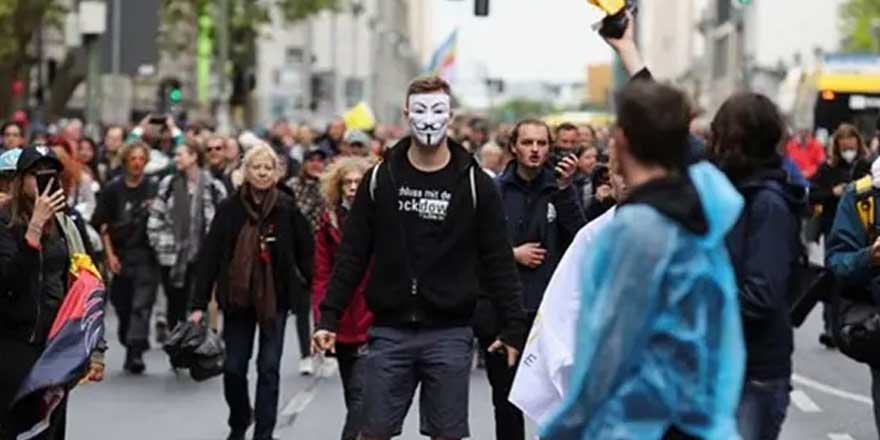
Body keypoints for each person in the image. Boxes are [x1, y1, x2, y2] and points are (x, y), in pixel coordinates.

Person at [542, 15, 746, 438]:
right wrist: (629, 52)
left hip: (643, 423)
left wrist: (566, 426)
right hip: (705, 418)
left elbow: (610, 347)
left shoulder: (636, 231)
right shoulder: (708, 204)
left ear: (622, 143)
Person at [313, 75, 526, 440]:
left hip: (450, 331)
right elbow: (353, 253)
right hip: (389, 330)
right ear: (406, 113)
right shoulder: (380, 179)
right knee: (373, 432)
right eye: (421, 110)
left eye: (438, 110)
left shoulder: (477, 185)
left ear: (450, 115)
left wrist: (513, 327)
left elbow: (497, 260)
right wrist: (328, 316)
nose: (429, 119)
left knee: (447, 434)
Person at [189, 144, 313, 440]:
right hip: (237, 299)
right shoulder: (229, 209)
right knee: (233, 368)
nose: (262, 173)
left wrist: (305, 288)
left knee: (269, 368)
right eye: (256, 167)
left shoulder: (286, 207)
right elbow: (210, 255)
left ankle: (265, 433)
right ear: (246, 171)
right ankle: (240, 418)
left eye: (268, 168)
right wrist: (198, 303)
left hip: (276, 300)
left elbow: (307, 252)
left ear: (276, 173)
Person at [480, 118, 584, 440]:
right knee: (506, 400)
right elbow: (474, 244)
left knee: (555, 399)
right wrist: (512, 253)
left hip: (546, 312)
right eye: (528, 143)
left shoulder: (559, 187)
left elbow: (579, 238)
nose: (535, 150)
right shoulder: (494, 189)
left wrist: (566, 190)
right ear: (514, 147)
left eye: (542, 144)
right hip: (503, 310)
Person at [711, 93, 806, 440]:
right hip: (727, 365)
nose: (713, 145)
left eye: (719, 135)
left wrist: (697, 303)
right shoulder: (733, 190)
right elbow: (673, 141)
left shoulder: (767, 203)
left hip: (754, 371)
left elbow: (761, 294)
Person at [0, 146, 105, 439]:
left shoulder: (66, 224)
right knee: (15, 429)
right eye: (37, 176)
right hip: (11, 344)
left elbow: (87, 285)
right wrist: (32, 230)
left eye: (51, 176)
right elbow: (7, 281)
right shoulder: (4, 222)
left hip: (56, 347)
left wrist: (96, 349)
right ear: (21, 180)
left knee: (51, 430)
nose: (45, 183)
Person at [312, 156, 374, 440]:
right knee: (354, 395)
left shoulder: (381, 217)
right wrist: (322, 319)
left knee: (362, 396)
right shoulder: (330, 221)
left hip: (373, 315)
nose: (351, 188)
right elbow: (322, 274)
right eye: (346, 182)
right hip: (342, 319)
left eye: (357, 182)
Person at [92, 141, 160, 374]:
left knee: (142, 304)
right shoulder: (113, 189)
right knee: (122, 304)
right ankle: (128, 337)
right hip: (121, 253)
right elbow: (102, 224)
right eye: (133, 159)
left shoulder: (153, 187)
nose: (137, 163)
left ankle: (136, 352)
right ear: (125, 162)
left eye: (142, 159)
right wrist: (109, 255)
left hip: (147, 254)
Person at [147, 141, 227, 335]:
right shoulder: (169, 184)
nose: (176, 159)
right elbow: (156, 216)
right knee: (175, 303)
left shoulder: (213, 186)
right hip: (172, 256)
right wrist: (159, 244)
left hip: (203, 255)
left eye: (180, 155)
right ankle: (178, 343)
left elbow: (224, 220)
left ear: (193, 157)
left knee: (198, 303)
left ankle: (197, 345)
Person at [810, 124, 872, 348]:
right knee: (834, 277)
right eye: (844, 146)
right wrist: (832, 193)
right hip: (834, 227)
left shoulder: (866, 166)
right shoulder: (828, 169)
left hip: (863, 229)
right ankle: (833, 325)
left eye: (851, 145)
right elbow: (812, 193)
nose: (848, 150)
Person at [287, 147, 327, 233]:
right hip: (296, 232)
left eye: (319, 161)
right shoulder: (292, 184)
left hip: (320, 236)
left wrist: (322, 182)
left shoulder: (328, 187)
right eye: (311, 160)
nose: (315, 164)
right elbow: (298, 214)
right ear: (304, 164)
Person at [573, 144, 600, 209]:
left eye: (595, 157)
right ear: (577, 161)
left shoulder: (598, 179)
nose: (593, 161)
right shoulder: (571, 182)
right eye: (588, 157)